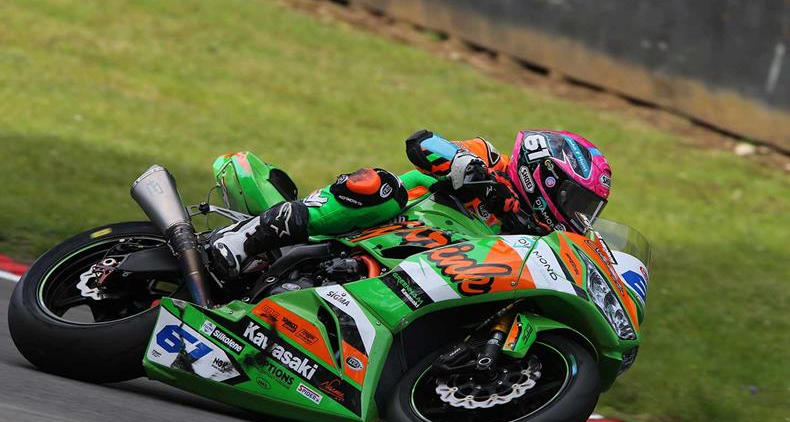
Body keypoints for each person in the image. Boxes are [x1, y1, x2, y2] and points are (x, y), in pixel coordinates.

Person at [209, 129, 612, 280]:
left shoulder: (537, 237)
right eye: (577, 201)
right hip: (386, 224)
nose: (579, 215)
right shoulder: (490, 159)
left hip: (431, 268)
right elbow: (422, 142)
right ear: (545, 175)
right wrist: (461, 164)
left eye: (588, 208)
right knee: (379, 188)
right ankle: (244, 237)